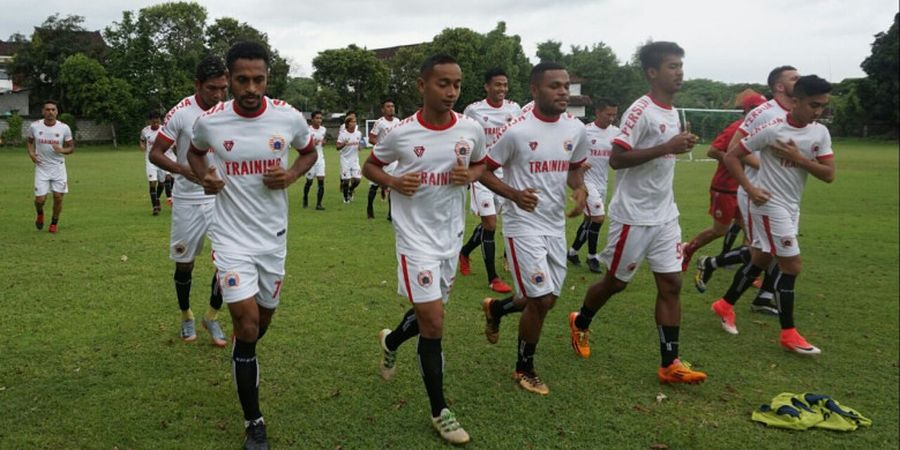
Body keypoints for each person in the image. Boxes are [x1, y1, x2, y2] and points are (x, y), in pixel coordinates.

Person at [187, 41, 316, 450]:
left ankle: (245, 358)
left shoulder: (287, 117)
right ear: (228, 78)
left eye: (258, 79)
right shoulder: (212, 121)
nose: (250, 87)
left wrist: (293, 173)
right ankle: (253, 422)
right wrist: (204, 176)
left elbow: (310, 152)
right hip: (230, 238)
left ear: (268, 78)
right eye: (241, 79)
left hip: (272, 240)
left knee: (260, 325)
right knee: (245, 325)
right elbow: (194, 154)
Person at [567, 42, 708, 385]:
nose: (679, 73)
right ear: (652, 72)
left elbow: (661, 154)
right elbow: (617, 158)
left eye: (680, 66)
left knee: (672, 284)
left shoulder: (672, 110)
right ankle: (580, 321)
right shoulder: (640, 110)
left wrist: (678, 144)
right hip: (634, 216)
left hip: (665, 215)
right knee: (615, 283)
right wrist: (667, 147)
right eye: (672, 66)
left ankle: (669, 363)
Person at [366, 54, 485, 445]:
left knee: (428, 313)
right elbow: (371, 167)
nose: (451, 92)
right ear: (422, 86)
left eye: (456, 84)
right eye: (443, 84)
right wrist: (393, 182)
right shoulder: (401, 133)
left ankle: (391, 341)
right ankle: (440, 411)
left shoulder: (470, 129)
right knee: (434, 323)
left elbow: (483, 165)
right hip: (414, 239)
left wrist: (472, 174)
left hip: (450, 237)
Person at [479, 62, 589, 395]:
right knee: (539, 299)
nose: (563, 92)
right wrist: (513, 194)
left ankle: (497, 309)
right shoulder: (517, 131)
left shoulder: (576, 130)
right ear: (535, 90)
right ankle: (524, 368)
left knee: (548, 300)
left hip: (554, 224)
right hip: (522, 224)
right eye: (554, 86)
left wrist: (580, 189)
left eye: (566, 86)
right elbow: (482, 170)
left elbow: (574, 169)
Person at [712, 75, 835, 355]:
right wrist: (750, 188)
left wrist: (802, 159)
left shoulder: (820, 133)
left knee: (761, 259)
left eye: (823, 107)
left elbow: (829, 175)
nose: (818, 112)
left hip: (792, 206)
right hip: (768, 204)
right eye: (814, 105)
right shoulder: (772, 128)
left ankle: (725, 303)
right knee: (791, 266)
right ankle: (788, 333)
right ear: (796, 100)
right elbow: (731, 155)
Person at [702, 66, 801, 314]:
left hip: (787, 194)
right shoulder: (763, 113)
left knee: (766, 252)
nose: (799, 82)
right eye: (794, 78)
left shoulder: (799, 113)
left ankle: (722, 276)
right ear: (779, 86)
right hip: (760, 192)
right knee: (771, 251)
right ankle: (762, 298)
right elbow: (734, 151)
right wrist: (753, 180)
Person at [150, 55, 229, 345]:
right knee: (185, 264)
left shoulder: (230, 110)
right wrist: (187, 171)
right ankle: (186, 315)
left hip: (222, 198)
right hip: (188, 198)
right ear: (198, 85)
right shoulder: (182, 112)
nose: (219, 95)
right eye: (212, 88)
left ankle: (212, 316)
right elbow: (155, 153)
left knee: (227, 261)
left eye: (224, 88)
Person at [688, 92, 768, 293]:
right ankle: (687, 250)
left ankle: (750, 271)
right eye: (758, 108)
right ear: (748, 110)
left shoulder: (763, 128)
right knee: (719, 231)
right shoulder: (735, 128)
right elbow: (712, 151)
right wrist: (736, 159)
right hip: (725, 187)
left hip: (745, 189)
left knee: (751, 232)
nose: (762, 112)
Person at [459, 68, 519, 294]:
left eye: (504, 85)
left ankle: (464, 252)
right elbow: (463, 137)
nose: (502, 89)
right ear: (487, 86)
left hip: (506, 173)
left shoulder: (514, 109)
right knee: (491, 224)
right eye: (497, 85)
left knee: (488, 224)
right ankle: (492, 278)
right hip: (481, 173)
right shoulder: (473, 110)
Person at [567, 98, 619, 274]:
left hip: (602, 182)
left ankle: (572, 252)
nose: (611, 118)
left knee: (589, 221)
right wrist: (578, 165)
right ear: (597, 112)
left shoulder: (616, 133)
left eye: (614, 115)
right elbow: (567, 151)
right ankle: (592, 257)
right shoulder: (585, 131)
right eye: (608, 114)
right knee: (598, 218)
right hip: (585, 182)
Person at [26, 100, 74, 233]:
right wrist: (31, 154)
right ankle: (40, 213)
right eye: (47, 109)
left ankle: (54, 223)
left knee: (58, 197)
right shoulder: (35, 126)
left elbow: (71, 148)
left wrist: (62, 150)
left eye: (53, 109)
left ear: (57, 112)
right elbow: (29, 142)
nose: (50, 112)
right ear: (43, 111)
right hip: (42, 167)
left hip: (58, 168)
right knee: (40, 199)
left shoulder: (64, 128)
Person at [366, 99, 400, 219]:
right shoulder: (380, 122)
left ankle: (391, 214)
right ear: (383, 109)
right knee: (375, 185)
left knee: (392, 185)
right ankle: (369, 208)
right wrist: (382, 146)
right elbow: (371, 138)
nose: (391, 108)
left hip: (393, 159)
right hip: (380, 158)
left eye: (392, 106)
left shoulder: (398, 122)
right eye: (388, 106)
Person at [140, 111, 173, 215]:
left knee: (162, 183)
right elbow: (141, 140)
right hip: (150, 160)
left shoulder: (164, 130)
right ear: (149, 121)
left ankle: (157, 198)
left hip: (162, 159)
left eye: (157, 121)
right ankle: (155, 207)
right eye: (153, 122)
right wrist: (142, 145)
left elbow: (172, 141)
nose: (156, 123)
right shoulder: (145, 131)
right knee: (152, 183)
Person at [302, 111, 328, 210]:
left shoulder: (323, 130)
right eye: (317, 118)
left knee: (321, 180)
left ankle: (319, 204)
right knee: (309, 181)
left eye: (320, 118)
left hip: (320, 158)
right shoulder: (307, 130)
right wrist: (312, 144)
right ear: (312, 119)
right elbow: (303, 145)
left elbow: (323, 142)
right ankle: (305, 198)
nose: (319, 120)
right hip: (310, 158)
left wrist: (323, 143)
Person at [336, 115, 363, 203]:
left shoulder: (358, 133)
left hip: (355, 160)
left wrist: (360, 146)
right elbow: (337, 147)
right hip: (345, 160)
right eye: (352, 122)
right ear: (347, 124)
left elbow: (360, 143)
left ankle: (350, 190)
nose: (354, 124)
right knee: (346, 180)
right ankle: (345, 198)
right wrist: (343, 144)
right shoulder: (343, 134)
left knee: (358, 180)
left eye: (355, 122)